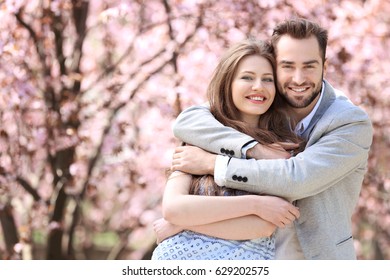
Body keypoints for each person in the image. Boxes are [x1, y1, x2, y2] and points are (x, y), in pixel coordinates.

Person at [169, 18, 373, 259]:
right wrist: (254, 149)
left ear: (324, 66)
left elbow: (297, 179)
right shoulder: (261, 106)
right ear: (274, 66)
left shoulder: (349, 122)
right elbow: (189, 121)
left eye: (309, 66)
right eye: (287, 66)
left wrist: (213, 164)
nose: (298, 79)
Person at [151, 38, 302, 260]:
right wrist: (255, 203)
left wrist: (182, 224)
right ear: (228, 83)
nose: (258, 86)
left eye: (267, 79)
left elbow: (262, 226)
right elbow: (173, 209)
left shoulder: (281, 149)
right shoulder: (201, 136)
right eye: (247, 77)